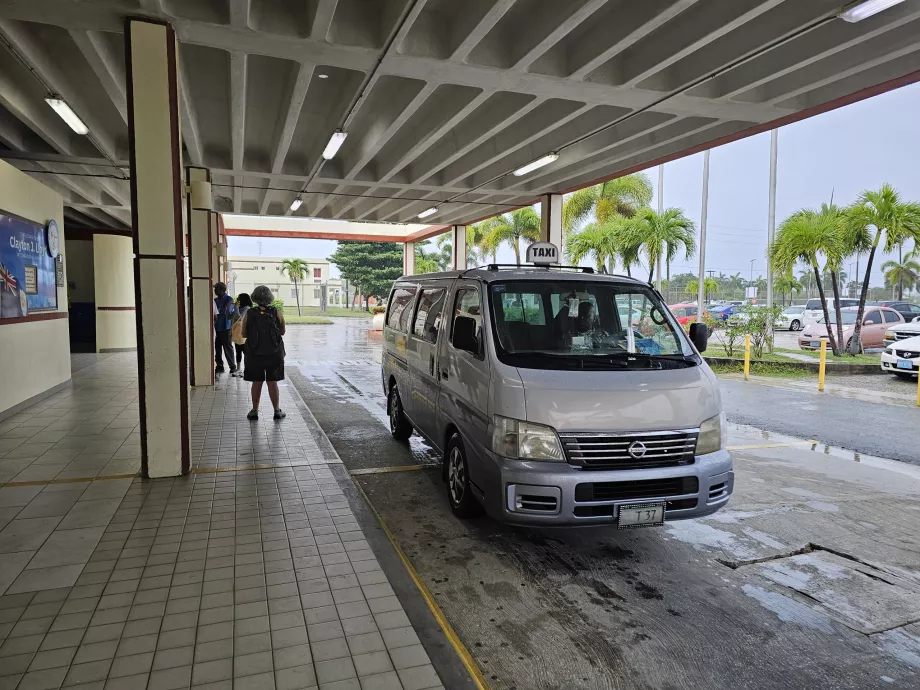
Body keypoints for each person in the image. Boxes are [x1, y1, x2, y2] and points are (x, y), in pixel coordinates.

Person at [242, 285, 286, 420]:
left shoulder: (249, 313)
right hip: (274, 353)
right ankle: (277, 411)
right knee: (272, 382)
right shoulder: (276, 311)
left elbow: (244, 334)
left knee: (257, 381)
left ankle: (254, 411)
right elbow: (282, 332)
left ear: (254, 297)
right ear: (269, 297)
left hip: (254, 353)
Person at [213, 282, 236, 375]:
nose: (214, 290)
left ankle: (232, 367)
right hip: (216, 328)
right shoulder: (215, 300)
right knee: (217, 348)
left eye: (216, 289)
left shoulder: (229, 299)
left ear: (222, 290)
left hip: (226, 328)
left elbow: (231, 313)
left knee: (228, 348)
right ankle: (219, 366)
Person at [231, 293, 253, 377]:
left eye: (239, 298)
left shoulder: (247, 308)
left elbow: (239, 317)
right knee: (238, 351)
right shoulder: (239, 307)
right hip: (237, 333)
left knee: (246, 352)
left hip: (244, 333)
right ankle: (238, 369)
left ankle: (247, 369)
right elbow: (232, 316)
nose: (237, 300)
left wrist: (236, 307)